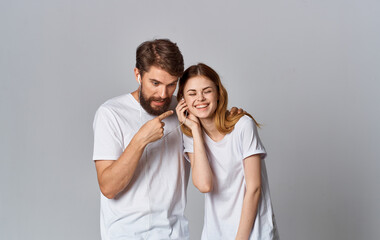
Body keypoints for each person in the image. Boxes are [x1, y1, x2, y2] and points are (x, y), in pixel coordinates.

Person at [92, 39, 243, 239]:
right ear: (138, 74)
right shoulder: (110, 114)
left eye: (171, 84)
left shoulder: (184, 112)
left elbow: (209, 173)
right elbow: (109, 188)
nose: (163, 94)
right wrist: (140, 140)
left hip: (175, 234)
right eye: (155, 83)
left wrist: (234, 121)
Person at [176, 63, 279, 240]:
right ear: (183, 100)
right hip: (215, 233)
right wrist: (195, 130)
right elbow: (204, 185)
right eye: (192, 93)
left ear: (218, 93)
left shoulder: (242, 126)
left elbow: (254, 188)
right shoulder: (191, 134)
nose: (200, 98)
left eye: (207, 91)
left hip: (254, 233)